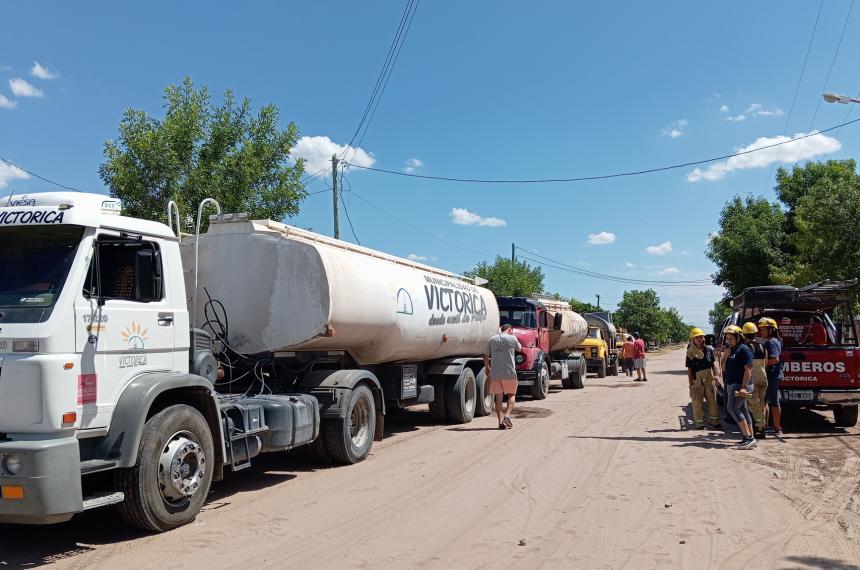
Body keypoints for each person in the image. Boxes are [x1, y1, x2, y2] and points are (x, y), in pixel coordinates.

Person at [723, 325, 757, 449]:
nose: (728, 341)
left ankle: (748, 437)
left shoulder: (744, 350)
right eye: (727, 339)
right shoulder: (732, 350)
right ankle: (750, 437)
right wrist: (725, 356)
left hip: (741, 385)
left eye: (731, 339)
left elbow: (748, 369)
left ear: (738, 338)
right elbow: (724, 369)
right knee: (743, 410)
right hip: (733, 384)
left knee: (732, 408)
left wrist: (743, 387)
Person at [483, 323, 522, 430]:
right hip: (509, 372)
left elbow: (485, 355)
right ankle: (507, 416)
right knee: (512, 394)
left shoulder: (492, 339)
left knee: (498, 397)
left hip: (495, 373)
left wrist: (487, 367)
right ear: (510, 330)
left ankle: (500, 423)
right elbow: (520, 348)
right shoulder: (512, 338)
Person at [686, 327, 720, 429]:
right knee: (697, 402)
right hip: (697, 379)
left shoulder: (709, 350)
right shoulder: (690, 352)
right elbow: (689, 370)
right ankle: (700, 423)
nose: (699, 339)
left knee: (712, 400)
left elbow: (713, 364)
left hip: (709, 378)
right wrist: (691, 384)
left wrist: (716, 375)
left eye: (701, 337)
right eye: (696, 337)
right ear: (693, 339)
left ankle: (714, 422)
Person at [758, 317, 784, 435]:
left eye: (764, 329)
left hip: (772, 375)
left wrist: (760, 365)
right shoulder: (772, 340)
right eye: (761, 329)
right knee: (766, 401)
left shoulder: (771, 342)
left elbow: (775, 359)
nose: (761, 331)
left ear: (771, 330)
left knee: (773, 401)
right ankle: (766, 426)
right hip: (772, 375)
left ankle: (777, 427)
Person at [743, 322, 768, 438]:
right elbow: (766, 362)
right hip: (763, 377)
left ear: (744, 334)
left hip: (753, 379)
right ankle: (762, 426)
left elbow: (746, 366)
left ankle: (759, 427)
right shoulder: (762, 345)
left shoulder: (746, 348)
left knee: (754, 404)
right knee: (762, 403)